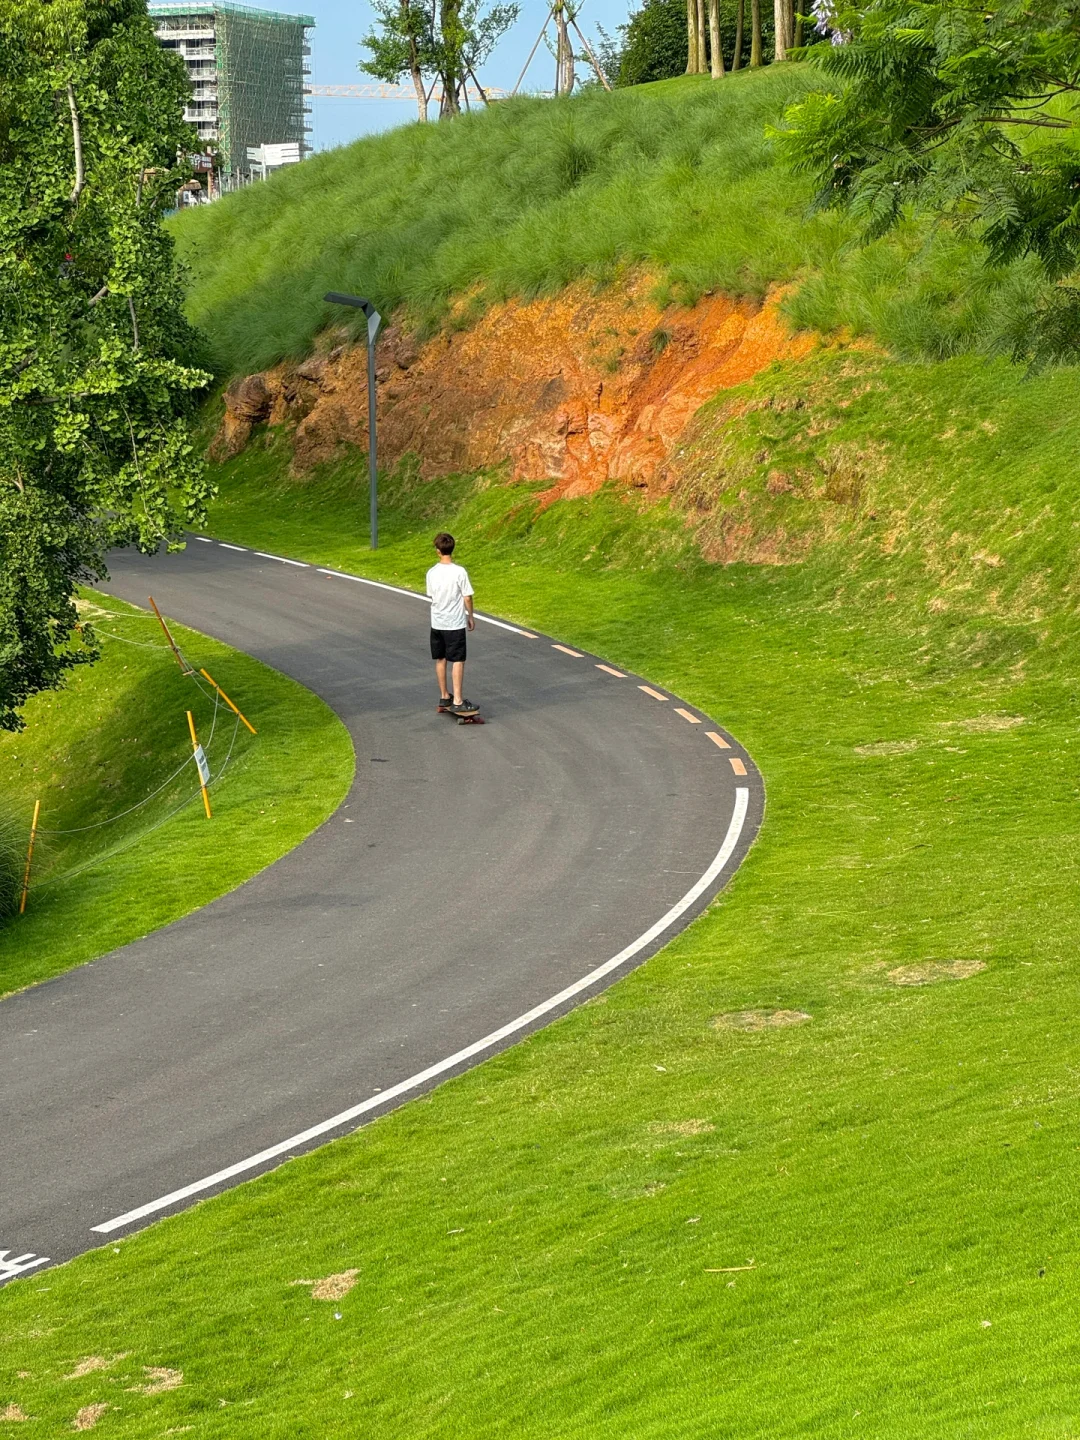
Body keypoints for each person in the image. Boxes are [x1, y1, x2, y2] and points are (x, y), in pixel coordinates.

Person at [426, 532, 476, 715]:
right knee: (458, 660)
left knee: (441, 658)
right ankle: (458, 700)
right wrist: (470, 616)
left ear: (438, 551)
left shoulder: (431, 572)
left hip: (437, 622)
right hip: (454, 623)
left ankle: (444, 695)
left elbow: (431, 595)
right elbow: (467, 597)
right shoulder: (459, 572)